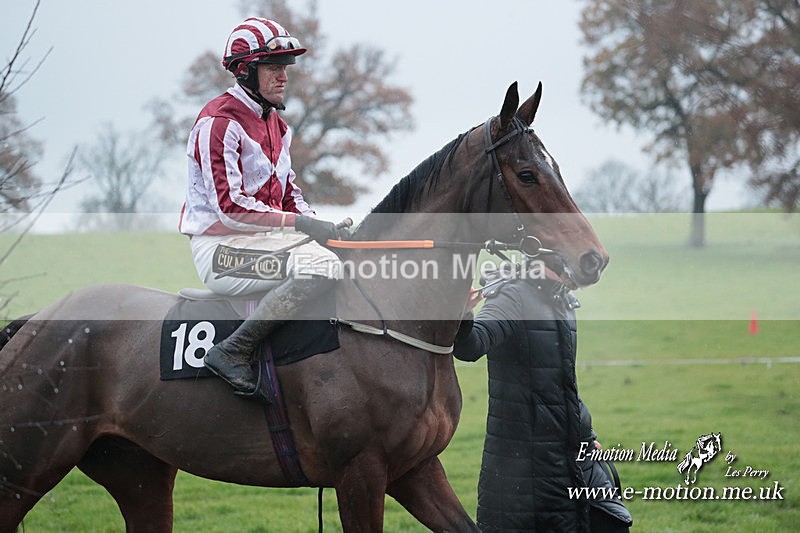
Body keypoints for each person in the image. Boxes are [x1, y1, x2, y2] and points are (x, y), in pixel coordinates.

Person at [179, 17, 343, 394]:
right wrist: (302, 227)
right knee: (320, 267)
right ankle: (233, 351)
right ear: (244, 71)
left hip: (262, 242)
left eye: (285, 67)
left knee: (341, 256)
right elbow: (230, 208)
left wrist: (320, 225)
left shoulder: (278, 126)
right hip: (221, 250)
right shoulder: (218, 123)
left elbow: (289, 194)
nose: (283, 76)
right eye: (272, 67)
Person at [454, 265, 633, 532]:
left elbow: (562, 383)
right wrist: (462, 312)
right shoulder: (512, 296)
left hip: (576, 449)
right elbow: (471, 346)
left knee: (613, 524)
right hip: (527, 463)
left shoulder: (562, 299)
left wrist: (586, 432)